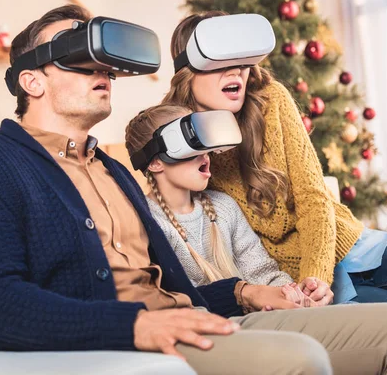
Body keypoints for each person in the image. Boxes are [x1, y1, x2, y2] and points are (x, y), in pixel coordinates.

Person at [0, 4, 387, 375]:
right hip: (132, 341)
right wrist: (139, 327)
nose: (104, 72)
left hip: (197, 321)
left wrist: (249, 292)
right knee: (301, 360)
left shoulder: (112, 170)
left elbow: (176, 288)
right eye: (78, 55)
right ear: (31, 82)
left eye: (106, 63)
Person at [163, 10, 387, 371]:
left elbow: (313, 196)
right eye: (219, 62)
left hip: (341, 244)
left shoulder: (271, 99)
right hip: (292, 283)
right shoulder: (174, 137)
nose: (236, 72)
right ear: (188, 69)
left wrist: (317, 274)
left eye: (243, 60)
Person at [125, 103, 315, 306]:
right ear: (155, 162)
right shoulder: (147, 223)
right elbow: (175, 300)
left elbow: (263, 274)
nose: (205, 152)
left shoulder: (223, 207)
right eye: (190, 140)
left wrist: (291, 293)